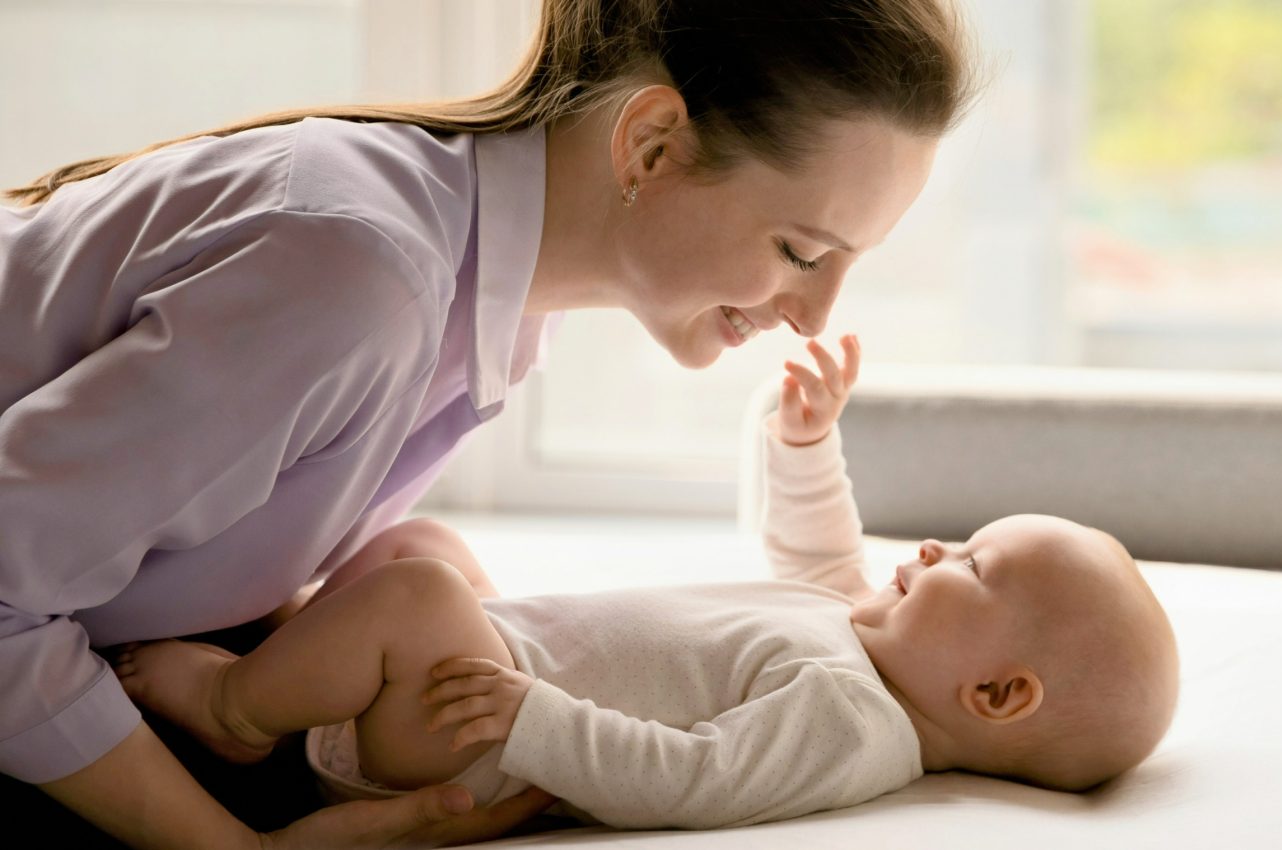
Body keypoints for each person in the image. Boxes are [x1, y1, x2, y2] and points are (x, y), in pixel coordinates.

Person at [0, 0, 984, 846]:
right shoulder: (362, 281)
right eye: (802, 251)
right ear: (649, 143)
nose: (815, 317)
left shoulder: (491, 309)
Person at [114, 337, 1181, 832]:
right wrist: (804, 444)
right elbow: (814, 556)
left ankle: (234, 708)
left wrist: (535, 718)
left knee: (423, 599)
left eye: (972, 563)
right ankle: (316, 649)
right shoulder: (859, 637)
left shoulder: (852, 725)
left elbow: (690, 778)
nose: (937, 549)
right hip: (491, 672)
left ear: (995, 693)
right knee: (427, 551)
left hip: (472, 731)